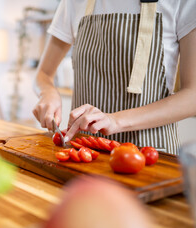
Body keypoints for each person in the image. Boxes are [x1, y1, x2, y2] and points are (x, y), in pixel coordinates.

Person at [32, 0, 196, 154]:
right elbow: (43, 74)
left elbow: (192, 96)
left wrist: (114, 121)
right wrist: (47, 92)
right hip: (84, 151)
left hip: (147, 155)